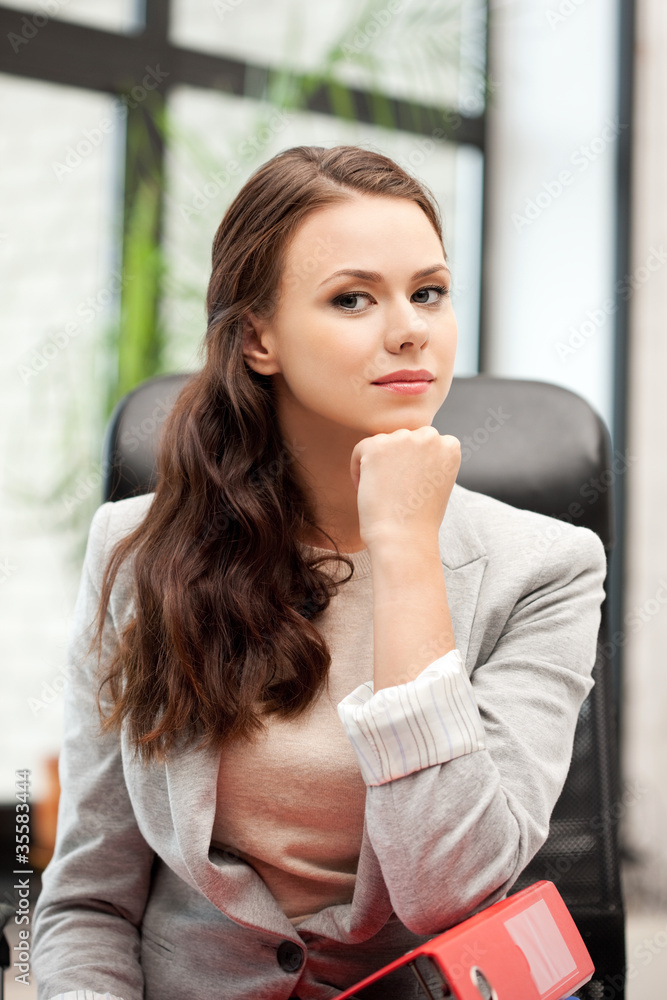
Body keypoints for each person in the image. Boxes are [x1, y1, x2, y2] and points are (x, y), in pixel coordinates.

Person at [33, 144, 607, 1000]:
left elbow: (448, 889)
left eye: (428, 292)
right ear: (259, 337)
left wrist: (407, 551)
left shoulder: (545, 567)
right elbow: (87, 902)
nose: (410, 327)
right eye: (352, 298)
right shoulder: (134, 552)